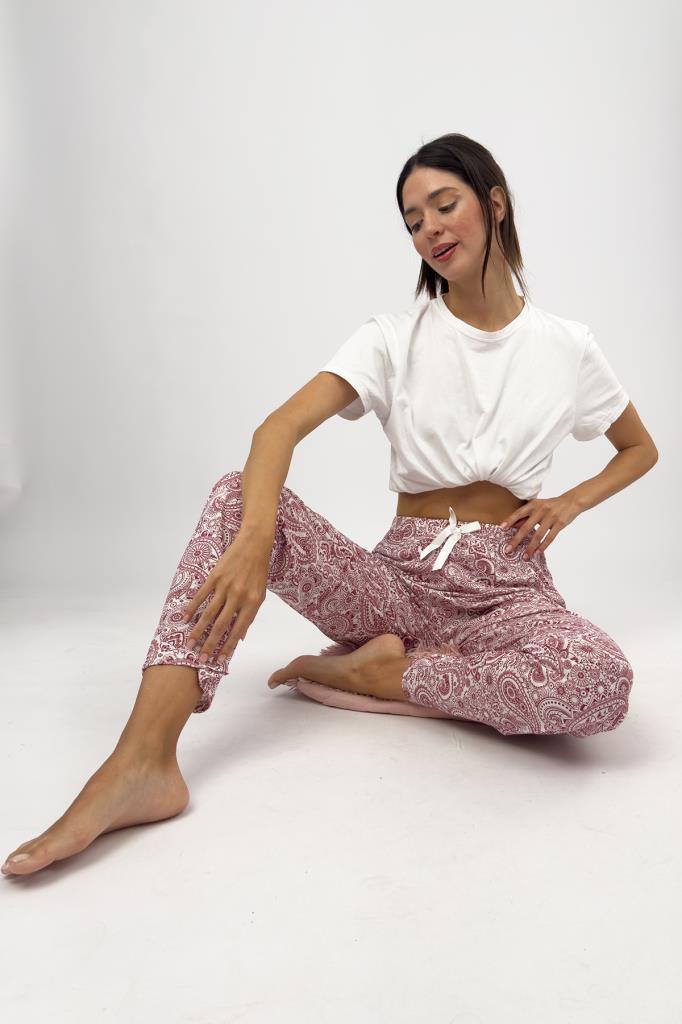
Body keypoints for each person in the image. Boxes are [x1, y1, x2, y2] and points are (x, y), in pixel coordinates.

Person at [2, 133, 658, 878]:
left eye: (445, 205)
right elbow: (276, 430)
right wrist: (255, 542)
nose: (430, 229)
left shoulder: (568, 345)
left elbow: (640, 449)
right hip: (399, 585)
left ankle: (373, 677)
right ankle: (143, 760)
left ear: (495, 203)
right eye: (413, 220)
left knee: (599, 680)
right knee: (236, 495)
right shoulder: (393, 338)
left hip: (511, 590)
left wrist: (569, 502)